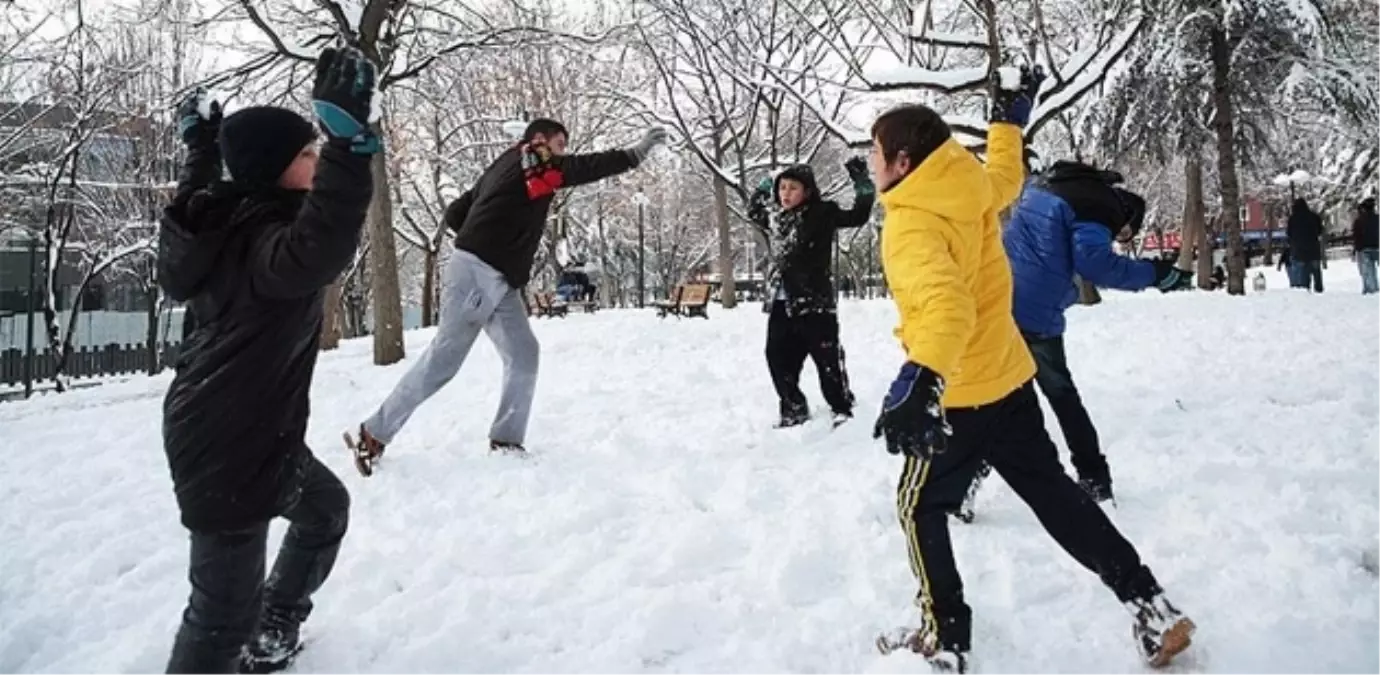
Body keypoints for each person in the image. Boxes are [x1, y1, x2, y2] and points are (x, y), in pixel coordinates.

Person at [868, 66, 1195, 673]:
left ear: (905, 162)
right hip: (1011, 379)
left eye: (876, 154)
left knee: (919, 509)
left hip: (960, 391)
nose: (870, 164)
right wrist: (1007, 121)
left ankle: (943, 638)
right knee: (1055, 495)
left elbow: (945, 306)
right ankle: (1150, 605)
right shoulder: (965, 185)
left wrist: (921, 378)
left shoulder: (911, 220)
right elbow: (1004, 177)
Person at [158, 47, 378, 675]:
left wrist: (202, 147)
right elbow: (321, 243)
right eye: (307, 155)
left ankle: (275, 623)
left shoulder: (222, 219)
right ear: (279, 171)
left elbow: (198, 188)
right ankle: (248, 633)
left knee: (325, 510)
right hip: (226, 448)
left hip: (253, 435)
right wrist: (348, 145)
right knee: (219, 614)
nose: (315, 160)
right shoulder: (266, 248)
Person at [349, 120, 667, 471]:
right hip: (478, 272)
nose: (563, 153)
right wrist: (635, 154)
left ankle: (506, 440)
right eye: (560, 144)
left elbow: (457, 210)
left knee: (523, 353)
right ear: (539, 139)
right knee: (444, 361)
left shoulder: (507, 164)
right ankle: (373, 433)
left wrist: (491, 231)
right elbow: (582, 167)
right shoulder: (534, 158)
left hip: (498, 277)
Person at [996, 161, 1193, 505]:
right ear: (1126, 218)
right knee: (1060, 395)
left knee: (996, 397)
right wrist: (1155, 274)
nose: (1120, 238)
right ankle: (1094, 477)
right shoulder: (1098, 208)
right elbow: (1096, 264)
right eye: (1124, 234)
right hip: (1035, 311)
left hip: (998, 297)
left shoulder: (1047, 184)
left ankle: (963, 480)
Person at [746, 159, 875, 427]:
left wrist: (862, 183)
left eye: (793, 188)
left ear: (807, 191)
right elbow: (754, 210)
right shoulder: (777, 218)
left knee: (826, 361)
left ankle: (841, 406)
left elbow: (858, 215)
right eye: (782, 188)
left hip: (815, 302)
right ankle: (793, 408)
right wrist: (764, 184)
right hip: (783, 302)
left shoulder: (822, 213)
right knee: (777, 358)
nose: (785, 193)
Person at [1287, 198, 1325, 292]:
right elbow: (1320, 230)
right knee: (1316, 273)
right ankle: (1319, 290)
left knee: (1303, 275)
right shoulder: (1314, 216)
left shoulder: (1293, 219)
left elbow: (1289, 233)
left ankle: (1306, 292)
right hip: (1314, 250)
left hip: (1300, 251)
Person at [1352, 197, 1379, 294]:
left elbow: (1356, 236)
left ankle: (1371, 288)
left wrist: (1356, 249)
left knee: (1368, 269)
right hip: (1377, 246)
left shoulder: (1359, 221)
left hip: (1364, 248)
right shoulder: (1378, 219)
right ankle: (1373, 288)